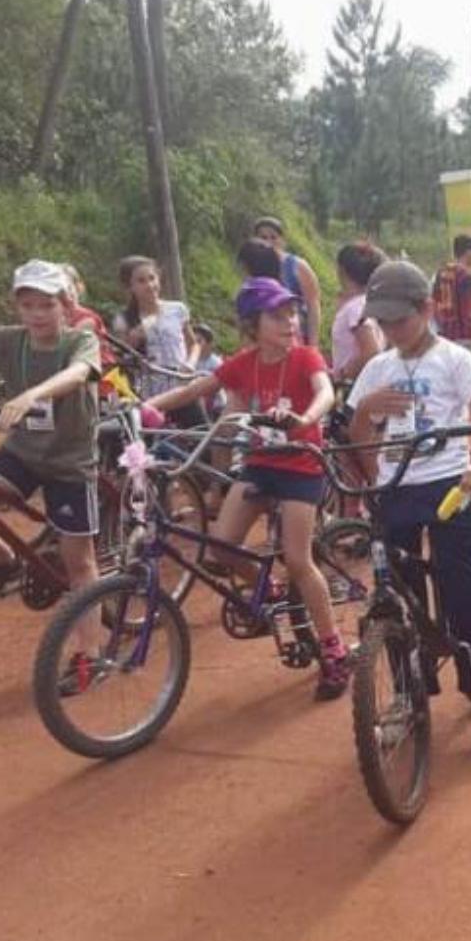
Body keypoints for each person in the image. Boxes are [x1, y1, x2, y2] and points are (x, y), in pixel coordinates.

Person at [142, 278, 351, 701]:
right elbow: (197, 389)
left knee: (297, 558)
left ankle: (333, 649)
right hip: (260, 466)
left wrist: (304, 419)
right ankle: (269, 591)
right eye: (277, 315)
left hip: (300, 467)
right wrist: (146, 408)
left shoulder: (305, 356)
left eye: (291, 313)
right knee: (221, 546)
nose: (290, 321)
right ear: (252, 325)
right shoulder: (245, 362)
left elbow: (325, 391)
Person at [346, 260, 471, 754]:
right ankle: (406, 692)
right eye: (383, 323)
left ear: (425, 309)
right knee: (393, 594)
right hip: (395, 489)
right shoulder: (377, 368)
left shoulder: (454, 360)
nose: (391, 331)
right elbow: (358, 435)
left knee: (466, 585)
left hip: (448, 485)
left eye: (399, 320)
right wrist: (366, 419)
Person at [0, 261, 102, 657]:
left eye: (47, 305)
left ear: (66, 306)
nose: (37, 314)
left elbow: (78, 374)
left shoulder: (78, 342)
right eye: (28, 305)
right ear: (17, 308)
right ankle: (5, 562)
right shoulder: (9, 340)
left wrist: (30, 395)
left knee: (80, 562)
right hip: (22, 454)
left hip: (69, 463)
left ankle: (90, 652)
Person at [112, 256, 205, 429]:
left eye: (152, 278)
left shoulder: (177, 309)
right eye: (141, 281)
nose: (149, 285)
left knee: (200, 437)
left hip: (182, 387)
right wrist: (135, 336)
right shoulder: (124, 319)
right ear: (130, 287)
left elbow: (194, 344)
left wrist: (190, 364)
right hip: (150, 394)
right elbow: (120, 357)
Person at [253, 216, 321, 348]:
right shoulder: (254, 267)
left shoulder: (297, 266)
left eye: (273, 237)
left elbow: (313, 304)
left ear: (282, 240)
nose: (269, 242)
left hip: (295, 336)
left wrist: (313, 344)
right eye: (263, 238)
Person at [331, 241, 387, 381]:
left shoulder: (355, 308)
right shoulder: (369, 303)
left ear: (342, 270)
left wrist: (343, 374)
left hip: (355, 385)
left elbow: (371, 351)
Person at [431, 234, 471, 357]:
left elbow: (434, 303)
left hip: (445, 335)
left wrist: (440, 328)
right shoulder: (466, 276)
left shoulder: (441, 272)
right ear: (468, 252)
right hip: (464, 335)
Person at [190, 323, 226, 419]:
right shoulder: (190, 360)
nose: (196, 345)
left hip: (214, 403)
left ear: (209, 343)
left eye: (199, 341)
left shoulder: (216, 363)